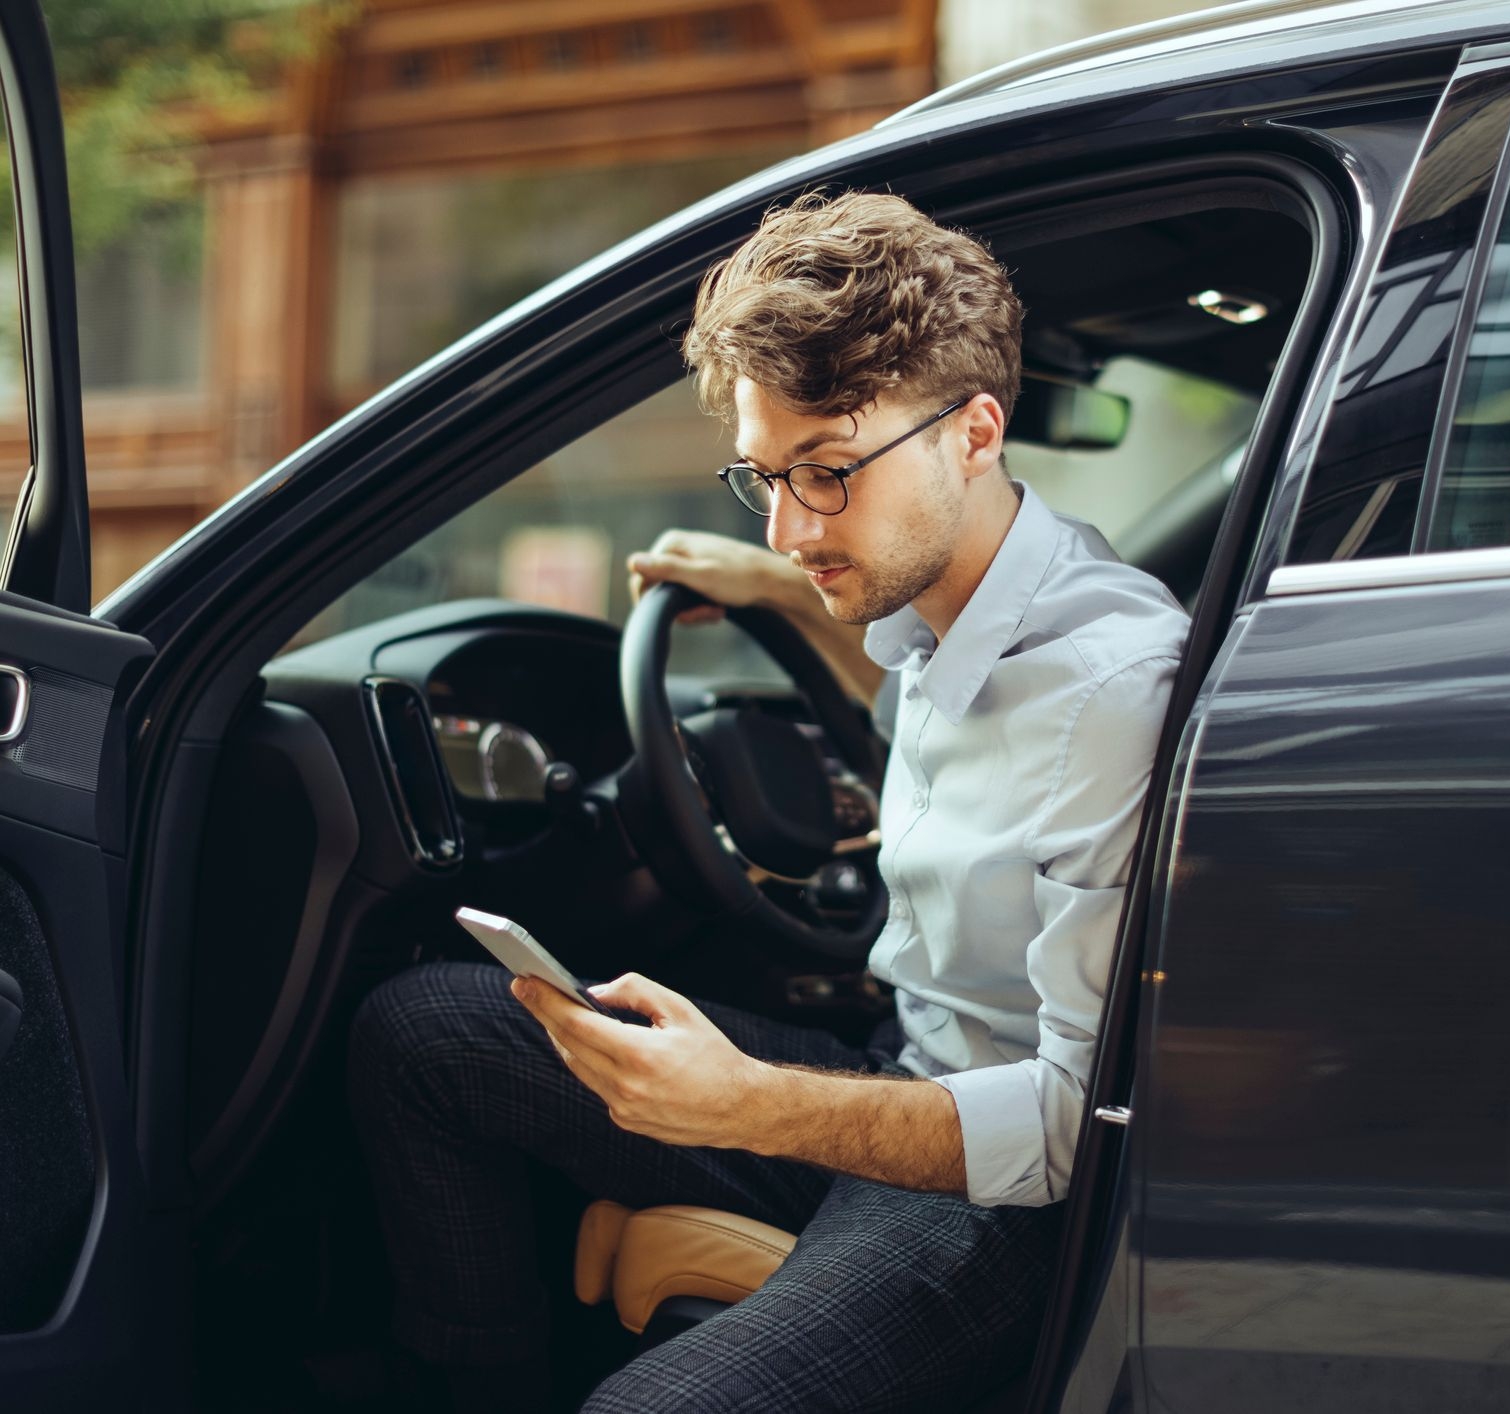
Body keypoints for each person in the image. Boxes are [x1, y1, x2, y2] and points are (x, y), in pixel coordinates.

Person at [346, 190, 1189, 1413]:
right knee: (422, 1034)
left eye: (830, 472)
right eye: (764, 477)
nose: (794, 523)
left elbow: (1076, 1123)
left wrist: (749, 1103)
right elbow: (919, 705)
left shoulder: (1112, 685)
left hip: (1003, 1198)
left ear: (975, 430)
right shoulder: (954, 603)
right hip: (897, 1066)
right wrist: (784, 595)